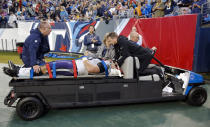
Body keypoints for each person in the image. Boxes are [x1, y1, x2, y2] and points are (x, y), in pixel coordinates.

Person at [3, 58, 121, 77]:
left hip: (74, 68)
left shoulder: (107, 65)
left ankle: (18, 72)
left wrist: (85, 59)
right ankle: (20, 69)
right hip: (74, 65)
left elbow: (92, 70)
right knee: (48, 65)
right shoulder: (104, 61)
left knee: (48, 69)